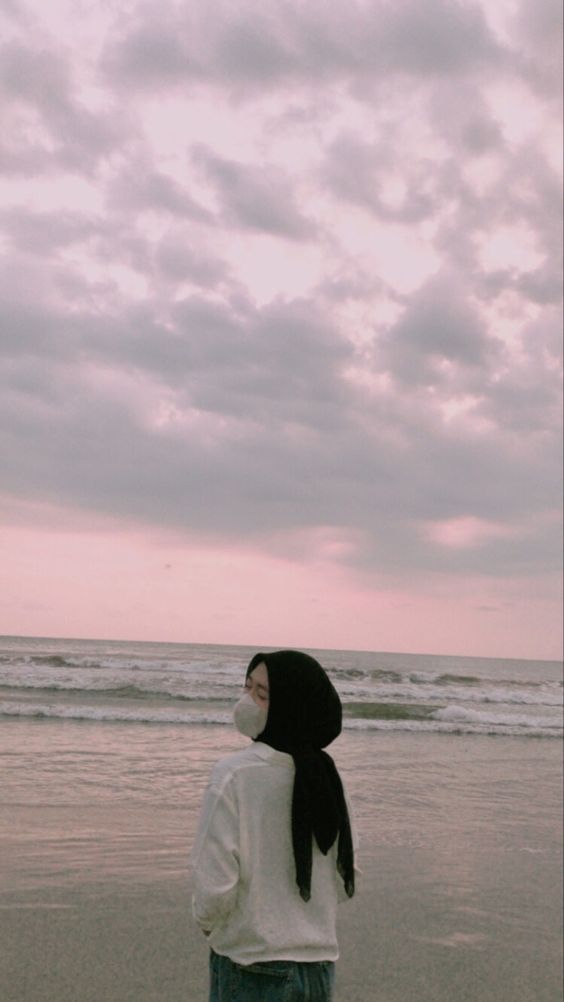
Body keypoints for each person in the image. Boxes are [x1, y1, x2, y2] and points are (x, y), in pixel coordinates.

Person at [191, 649, 358, 1002]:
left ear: (290, 704)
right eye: (247, 686)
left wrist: (210, 925)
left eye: (262, 694)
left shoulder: (234, 775)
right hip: (318, 966)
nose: (247, 701)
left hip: (250, 965)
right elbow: (346, 879)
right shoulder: (328, 778)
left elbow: (215, 887)